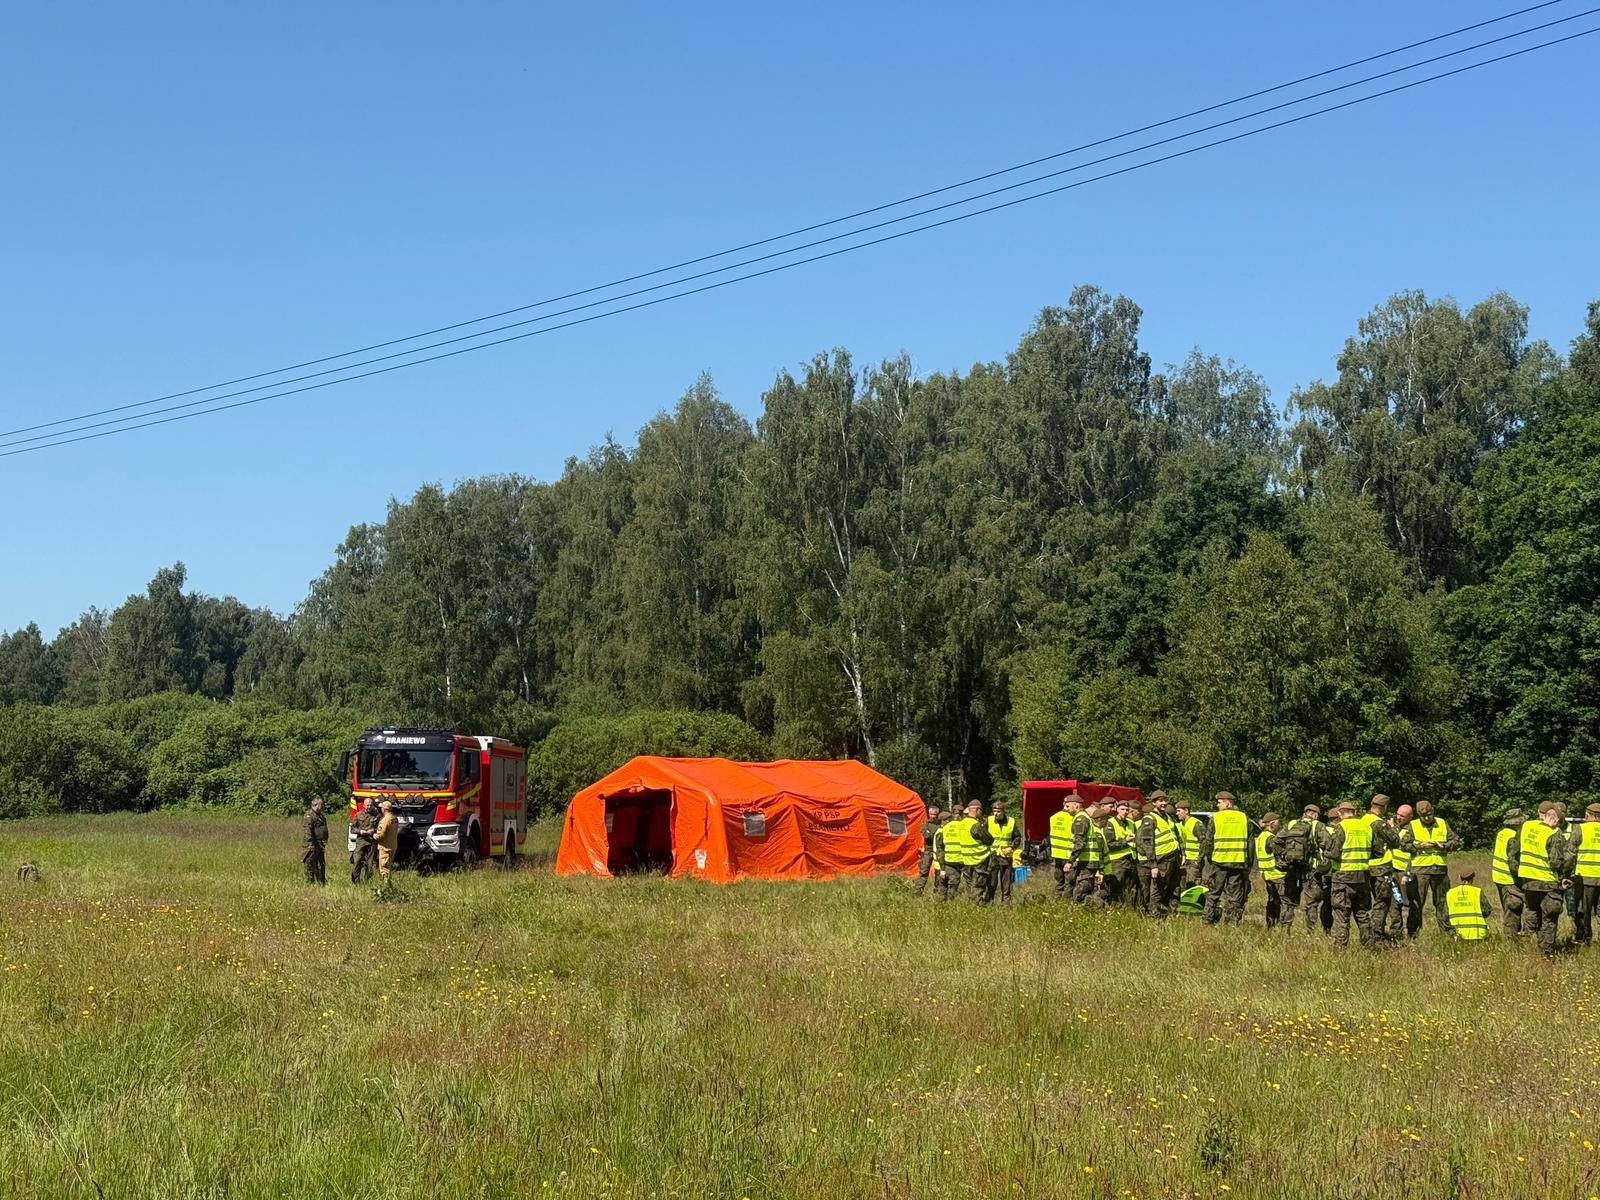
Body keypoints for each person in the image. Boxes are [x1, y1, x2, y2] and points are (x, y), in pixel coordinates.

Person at [1508, 801, 1573, 955]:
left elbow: (1513, 852)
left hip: (1528, 882)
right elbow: (1556, 861)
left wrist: (1519, 873)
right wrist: (1564, 876)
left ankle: (1526, 949)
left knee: (1531, 913)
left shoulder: (1526, 826)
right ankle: (1546, 954)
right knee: (1549, 919)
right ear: (1553, 815)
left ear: (1538, 812)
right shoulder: (1554, 833)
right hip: (1548, 883)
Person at [1401, 800, 1462, 935]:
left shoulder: (1442, 823)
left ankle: (1447, 933)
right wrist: (1419, 846)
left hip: (1439, 869)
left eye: (1429, 814)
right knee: (1417, 903)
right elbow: (1403, 845)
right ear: (1419, 815)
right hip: (1420, 870)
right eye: (1424, 816)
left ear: (1433, 811)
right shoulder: (1413, 825)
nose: (1427, 818)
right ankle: (1412, 934)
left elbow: (1456, 841)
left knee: (1442, 903)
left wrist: (1444, 846)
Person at [1323, 800, 1375, 947]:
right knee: (1362, 913)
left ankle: (1340, 947)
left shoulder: (1341, 827)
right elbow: (1377, 851)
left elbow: (1334, 853)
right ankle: (1369, 945)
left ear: (1339, 813)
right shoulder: (1366, 827)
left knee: (1342, 914)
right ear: (1355, 812)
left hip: (1343, 876)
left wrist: (1325, 852)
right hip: (1363, 875)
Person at [1201, 792, 1251, 925]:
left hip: (1219, 862)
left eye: (1220, 802)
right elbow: (1250, 842)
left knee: (1213, 894)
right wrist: (1249, 862)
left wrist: (1209, 858)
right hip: (1238, 862)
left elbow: (1209, 841)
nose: (1217, 805)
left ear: (1228, 803)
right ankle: (1231, 923)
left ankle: (1207, 921)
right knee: (1234, 896)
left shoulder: (1216, 818)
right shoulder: (1244, 817)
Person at [1270, 804, 1322, 931]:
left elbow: (1276, 841)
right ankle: (1311, 930)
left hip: (1292, 868)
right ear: (1315, 814)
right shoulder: (1317, 825)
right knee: (1311, 902)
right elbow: (1327, 844)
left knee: (1288, 901)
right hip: (1309, 869)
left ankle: (1285, 928)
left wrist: (1284, 855)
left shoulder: (1291, 823)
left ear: (1304, 813)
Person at [1359, 795, 1399, 940]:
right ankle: (1377, 934)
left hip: (1365, 867)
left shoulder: (1363, 820)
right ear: (1384, 807)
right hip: (1381, 867)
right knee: (1382, 901)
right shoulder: (1379, 823)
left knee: (1365, 903)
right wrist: (1393, 827)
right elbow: (1395, 841)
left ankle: (1366, 933)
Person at [1139, 791, 1183, 917]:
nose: (1164, 803)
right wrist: (1153, 865)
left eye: (1165, 800)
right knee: (1158, 890)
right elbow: (1147, 843)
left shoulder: (1167, 817)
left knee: (1173, 888)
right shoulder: (1150, 819)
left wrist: (1182, 854)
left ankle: (1169, 914)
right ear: (1154, 803)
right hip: (1162, 859)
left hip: (1173, 858)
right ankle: (1155, 916)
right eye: (1160, 801)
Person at [938, 800, 992, 901]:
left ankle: (970, 905)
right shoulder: (975, 825)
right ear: (977, 810)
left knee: (970, 886)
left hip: (966, 860)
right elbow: (989, 840)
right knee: (978, 887)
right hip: (979, 859)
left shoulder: (961, 824)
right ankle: (977, 908)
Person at [1491, 808, 1527, 937]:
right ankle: (1512, 939)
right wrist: (1522, 879)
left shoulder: (1502, 833)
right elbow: (1513, 862)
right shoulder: (1514, 837)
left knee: (1507, 908)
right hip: (1509, 879)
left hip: (1499, 877)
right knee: (1513, 909)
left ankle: (1512, 935)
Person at [1049, 795, 1089, 899]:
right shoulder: (1076, 818)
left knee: (1059, 882)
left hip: (1057, 855)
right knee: (1070, 884)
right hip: (1070, 855)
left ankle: (1057, 902)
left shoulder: (1054, 817)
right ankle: (1066, 904)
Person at [1099, 801, 1138, 906]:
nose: (1125, 812)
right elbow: (1109, 844)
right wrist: (1125, 841)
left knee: (1130, 888)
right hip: (1117, 861)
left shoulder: (1131, 823)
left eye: (1127, 810)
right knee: (1116, 887)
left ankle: (1128, 908)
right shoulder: (1110, 823)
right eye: (1122, 809)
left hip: (1130, 859)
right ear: (1117, 809)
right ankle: (1114, 907)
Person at [1574, 802, 1600, 946]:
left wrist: (1566, 874)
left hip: (1585, 878)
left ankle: (1584, 939)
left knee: (1584, 911)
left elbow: (1570, 853)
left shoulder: (1581, 829)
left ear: (1588, 815)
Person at [1389, 803, 1417, 938]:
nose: (1398, 817)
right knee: (1394, 902)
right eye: (1398, 814)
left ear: (1410, 817)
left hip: (1405, 872)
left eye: (1402, 816)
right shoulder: (1395, 827)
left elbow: (1413, 854)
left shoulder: (1413, 829)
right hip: (1392, 871)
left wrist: (1408, 873)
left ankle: (1412, 932)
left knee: (1409, 902)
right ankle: (1396, 932)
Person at [984, 799, 1018, 904]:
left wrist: (1012, 847)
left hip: (1006, 855)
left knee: (1006, 881)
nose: (996, 814)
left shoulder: (1011, 821)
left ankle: (1006, 904)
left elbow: (1017, 837)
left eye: (998, 811)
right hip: (992, 855)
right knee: (991, 881)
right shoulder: (988, 821)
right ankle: (989, 902)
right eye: (994, 811)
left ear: (1003, 811)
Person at [1255, 812, 1286, 928]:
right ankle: (1282, 926)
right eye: (1278, 822)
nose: (1279, 825)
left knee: (1272, 901)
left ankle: (1271, 925)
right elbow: (1282, 854)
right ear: (1272, 823)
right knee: (1284, 903)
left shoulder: (1260, 837)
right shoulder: (1271, 838)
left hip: (1267, 874)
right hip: (1277, 874)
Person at [1073, 807, 1108, 904]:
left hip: (1095, 865)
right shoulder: (1097, 832)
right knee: (1087, 890)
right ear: (1101, 819)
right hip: (1093, 865)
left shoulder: (1097, 831)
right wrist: (1100, 871)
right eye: (1106, 819)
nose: (1107, 822)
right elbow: (1098, 852)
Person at [1444, 870, 1491, 941]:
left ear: (1460, 878)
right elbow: (1487, 910)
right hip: (1478, 935)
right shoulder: (1477, 892)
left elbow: (1445, 915)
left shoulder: (1450, 893)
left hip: (1457, 935)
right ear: (1472, 879)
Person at [350, 795, 381, 884]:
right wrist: (360, 831)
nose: (369, 807)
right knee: (357, 861)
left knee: (370, 864)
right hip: (361, 842)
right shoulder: (358, 815)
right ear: (364, 805)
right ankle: (355, 882)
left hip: (371, 842)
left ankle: (368, 882)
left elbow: (381, 828)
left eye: (370, 805)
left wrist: (374, 830)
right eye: (367, 805)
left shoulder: (377, 815)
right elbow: (352, 829)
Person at [913, 804, 943, 895]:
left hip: (938, 851)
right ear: (928, 814)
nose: (933, 816)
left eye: (935, 814)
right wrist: (934, 835)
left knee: (939, 872)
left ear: (938, 814)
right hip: (928, 851)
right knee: (924, 871)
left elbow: (939, 837)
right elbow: (927, 836)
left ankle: (937, 891)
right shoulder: (925, 823)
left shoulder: (941, 824)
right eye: (931, 814)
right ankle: (918, 891)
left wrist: (932, 834)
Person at [1175, 801, 1206, 888]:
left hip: (1194, 860)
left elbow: (1204, 842)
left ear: (1186, 811)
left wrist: (1199, 860)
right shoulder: (1181, 824)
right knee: (1185, 886)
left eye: (1179, 811)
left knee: (1193, 886)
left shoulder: (1196, 823)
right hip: (1186, 860)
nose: (1177, 813)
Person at [301, 797, 328, 886]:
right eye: (321, 804)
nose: (323, 806)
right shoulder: (309, 815)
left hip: (320, 844)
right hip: (311, 845)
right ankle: (310, 884)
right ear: (316, 805)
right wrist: (311, 844)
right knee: (310, 864)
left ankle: (321, 883)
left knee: (321, 865)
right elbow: (308, 831)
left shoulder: (321, 816)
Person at [374, 799, 399, 888]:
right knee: (389, 866)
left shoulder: (385, 820)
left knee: (384, 868)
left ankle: (386, 887)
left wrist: (374, 835)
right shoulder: (394, 818)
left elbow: (381, 834)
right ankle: (388, 884)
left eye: (381, 808)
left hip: (385, 847)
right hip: (393, 846)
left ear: (384, 809)